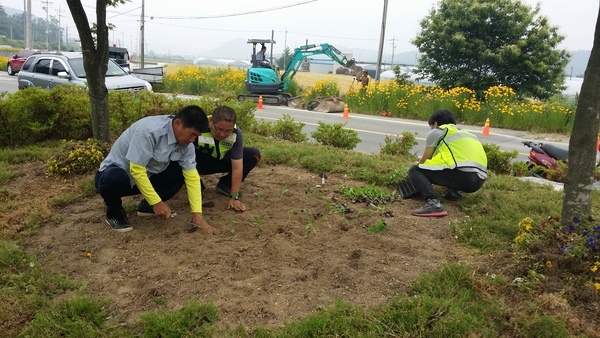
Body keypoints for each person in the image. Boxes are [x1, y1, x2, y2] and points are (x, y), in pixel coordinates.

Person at [95, 105, 215, 234]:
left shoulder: (187, 145)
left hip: (147, 177)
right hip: (120, 175)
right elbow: (136, 170)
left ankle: (147, 207)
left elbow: (192, 177)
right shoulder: (148, 130)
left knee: (181, 171)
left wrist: (197, 215)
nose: (192, 140)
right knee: (112, 179)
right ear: (178, 124)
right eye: (192, 134)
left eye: (196, 136)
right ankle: (114, 213)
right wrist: (157, 202)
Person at [408, 109, 487, 217]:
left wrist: (415, 177)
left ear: (435, 123)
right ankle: (453, 194)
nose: (431, 129)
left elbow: (424, 161)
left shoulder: (438, 131)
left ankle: (433, 202)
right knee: (451, 163)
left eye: (431, 126)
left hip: (465, 176)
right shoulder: (468, 134)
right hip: (479, 180)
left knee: (415, 170)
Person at [195, 105, 261, 212]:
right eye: (219, 129)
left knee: (254, 154)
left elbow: (237, 167)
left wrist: (234, 196)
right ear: (211, 121)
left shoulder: (236, 133)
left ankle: (226, 185)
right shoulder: (198, 127)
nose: (222, 134)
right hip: (197, 164)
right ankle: (198, 186)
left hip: (220, 161)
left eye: (227, 131)